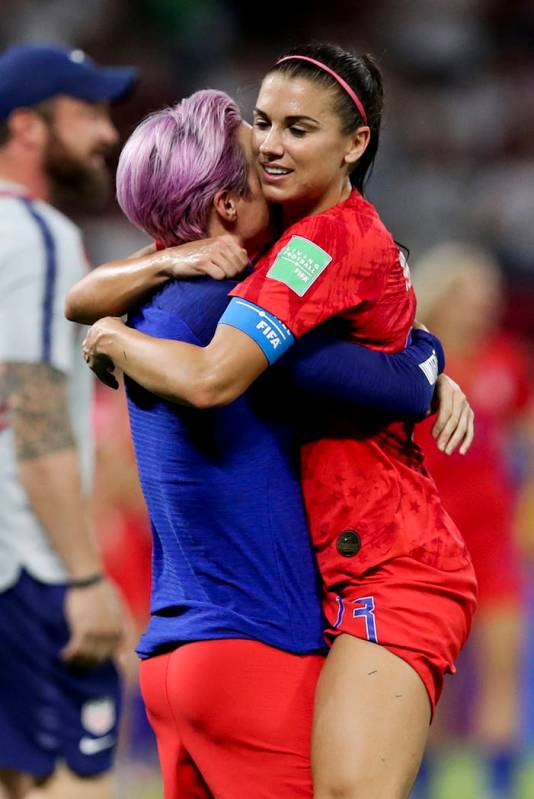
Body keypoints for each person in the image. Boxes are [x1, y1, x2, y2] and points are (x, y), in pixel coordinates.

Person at [70, 86, 473, 799]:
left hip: (170, 661)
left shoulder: (153, 301)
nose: (280, 177)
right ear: (225, 206)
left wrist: (114, 331)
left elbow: (81, 299)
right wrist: (429, 362)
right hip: (255, 650)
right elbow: (395, 383)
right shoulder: (241, 321)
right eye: (261, 171)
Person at [0, 43, 136, 799]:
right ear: (27, 126)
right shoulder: (38, 235)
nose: (106, 134)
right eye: (85, 114)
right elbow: (36, 408)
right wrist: (84, 574)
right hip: (27, 561)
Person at [413, 242, 531, 799]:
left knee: (502, 675)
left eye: (489, 296)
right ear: (446, 296)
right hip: (428, 544)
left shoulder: (508, 361)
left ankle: (501, 790)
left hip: (492, 541)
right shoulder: (415, 362)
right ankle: (424, 785)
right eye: (473, 295)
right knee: (430, 686)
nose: (484, 306)